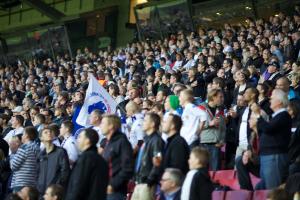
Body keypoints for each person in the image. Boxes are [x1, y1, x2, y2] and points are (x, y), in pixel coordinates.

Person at [251, 88, 292, 189]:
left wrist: (257, 114)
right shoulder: (276, 116)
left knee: (272, 190)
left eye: (272, 98)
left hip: (274, 156)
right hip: (267, 155)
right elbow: (266, 133)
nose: (270, 100)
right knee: (261, 189)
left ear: (279, 102)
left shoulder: (283, 115)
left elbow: (268, 129)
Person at [66, 128, 109, 200]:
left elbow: (78, 185)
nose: (77, 140)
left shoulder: (85, 159)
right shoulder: (101, 159)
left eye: (80, 137)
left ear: (87, 140)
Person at [132, 113, 164, 200]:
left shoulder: (156, 140)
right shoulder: (146, 139)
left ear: (153, 124)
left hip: (147, 183)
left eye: (145, 121)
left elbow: (157, 162)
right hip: (139, 182)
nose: (143, 123)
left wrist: (149, 181)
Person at [101, 115, 134, 200]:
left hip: (115, 192)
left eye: (103, 123)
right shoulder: (108, 143)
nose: (101, 125)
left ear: (111, 126)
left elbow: (128, 168)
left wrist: (113, 185)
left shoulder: (122, 142)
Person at [198, 89, 226, 170]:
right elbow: (195, 125)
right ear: (213, 97)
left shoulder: (221, 109)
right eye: (220, 97)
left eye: (223, 97)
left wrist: (222, 140)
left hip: (216, 144)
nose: (222, 99)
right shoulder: (201, 107)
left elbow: (223, 127)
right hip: (203, 142)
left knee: (216, 171)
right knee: (203, 170)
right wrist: (209, 124)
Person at [37, 128, 70, 195]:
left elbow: (65, 171)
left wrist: (57, 185)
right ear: (41, 138)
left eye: (50, 132)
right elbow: (36, 172)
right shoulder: (40, 155)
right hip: (41, 192)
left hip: (55, 192)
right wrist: (38, 186)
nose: (49, 133)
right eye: (46, 132)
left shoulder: (61, 151)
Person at [10, 126, 39, 192]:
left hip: (21, 182)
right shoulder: (37, 147)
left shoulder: (24, 147)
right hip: (33, 182)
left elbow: (13, 166)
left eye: (23, 134)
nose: (22, 136)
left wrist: (12, 154)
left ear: (26, 135)